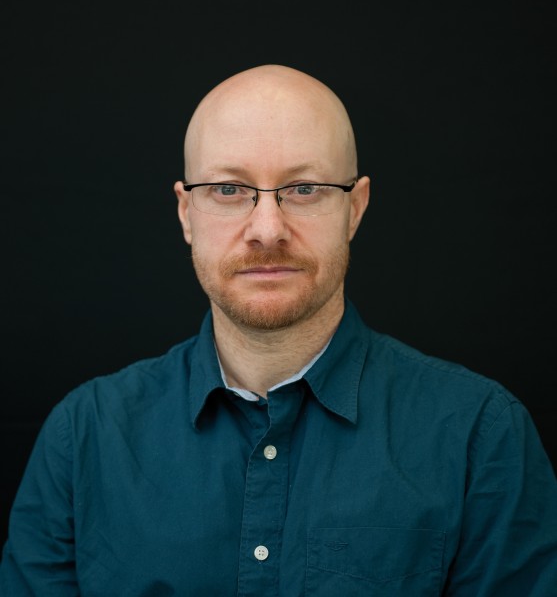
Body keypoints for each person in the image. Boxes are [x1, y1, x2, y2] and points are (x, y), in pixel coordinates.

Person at [1, 64, 556, 596]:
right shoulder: (84, 437)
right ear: (187, 213)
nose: (267, 230)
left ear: (355, 208)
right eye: (228, 189)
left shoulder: (480, 436)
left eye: (305, 188)